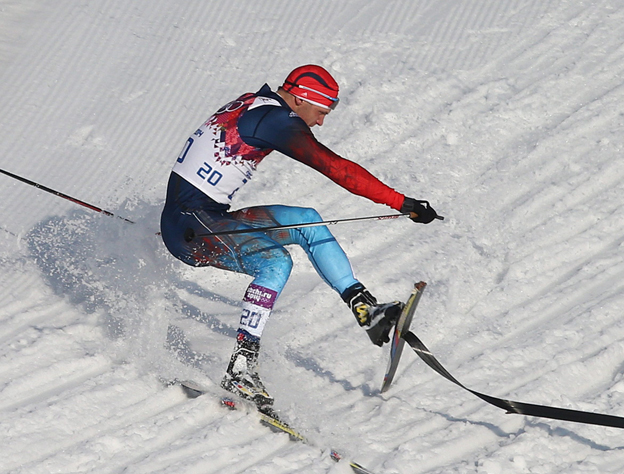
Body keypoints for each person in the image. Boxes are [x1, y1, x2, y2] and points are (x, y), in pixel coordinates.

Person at [160, 64, 439, 412]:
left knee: (308, 220)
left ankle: (365, 308)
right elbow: (337, 169)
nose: (320, 122)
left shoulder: (257, 103)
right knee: (275, 261)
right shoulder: (275, 121)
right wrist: (404, 203)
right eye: (320, 112)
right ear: (302, 99)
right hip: (192, 229)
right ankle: (241, 368)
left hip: (199, 218)